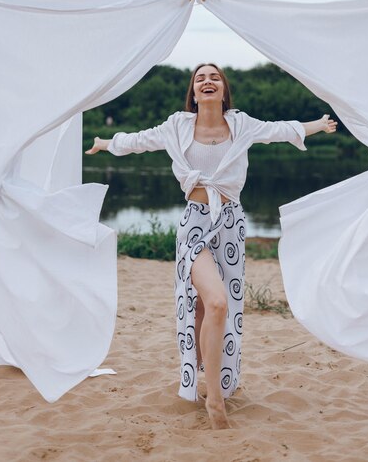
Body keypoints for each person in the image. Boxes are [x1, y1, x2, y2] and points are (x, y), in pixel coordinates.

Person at [85, 63, 337, 429]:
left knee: (216, 310)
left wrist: (317, 125)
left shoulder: (242, 125)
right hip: (195, 223)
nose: (207, 81)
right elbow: (138, 141)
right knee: (215, 302)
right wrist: (106, 143)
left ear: (223, 90)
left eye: (214, 77)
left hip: (231, 226)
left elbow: (280, 130)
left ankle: (213, 380)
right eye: (200, 77)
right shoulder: (177, 126)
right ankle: (214, 400)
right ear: (193, 92)